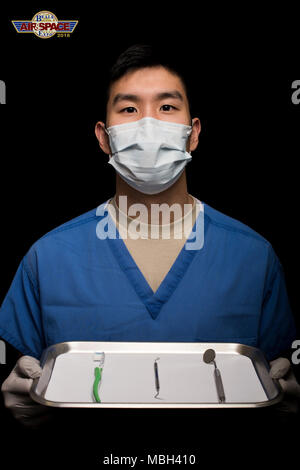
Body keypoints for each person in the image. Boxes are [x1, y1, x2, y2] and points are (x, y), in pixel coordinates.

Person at [0, 44, 299, 428]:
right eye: (128, 109)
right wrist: (17, 396)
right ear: (104, 137)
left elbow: (277, 370)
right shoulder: (48, 258)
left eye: (167, 107)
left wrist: (287, 400)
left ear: (193, 135)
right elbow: (25, 375)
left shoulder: (253, 258)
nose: (148, 125)